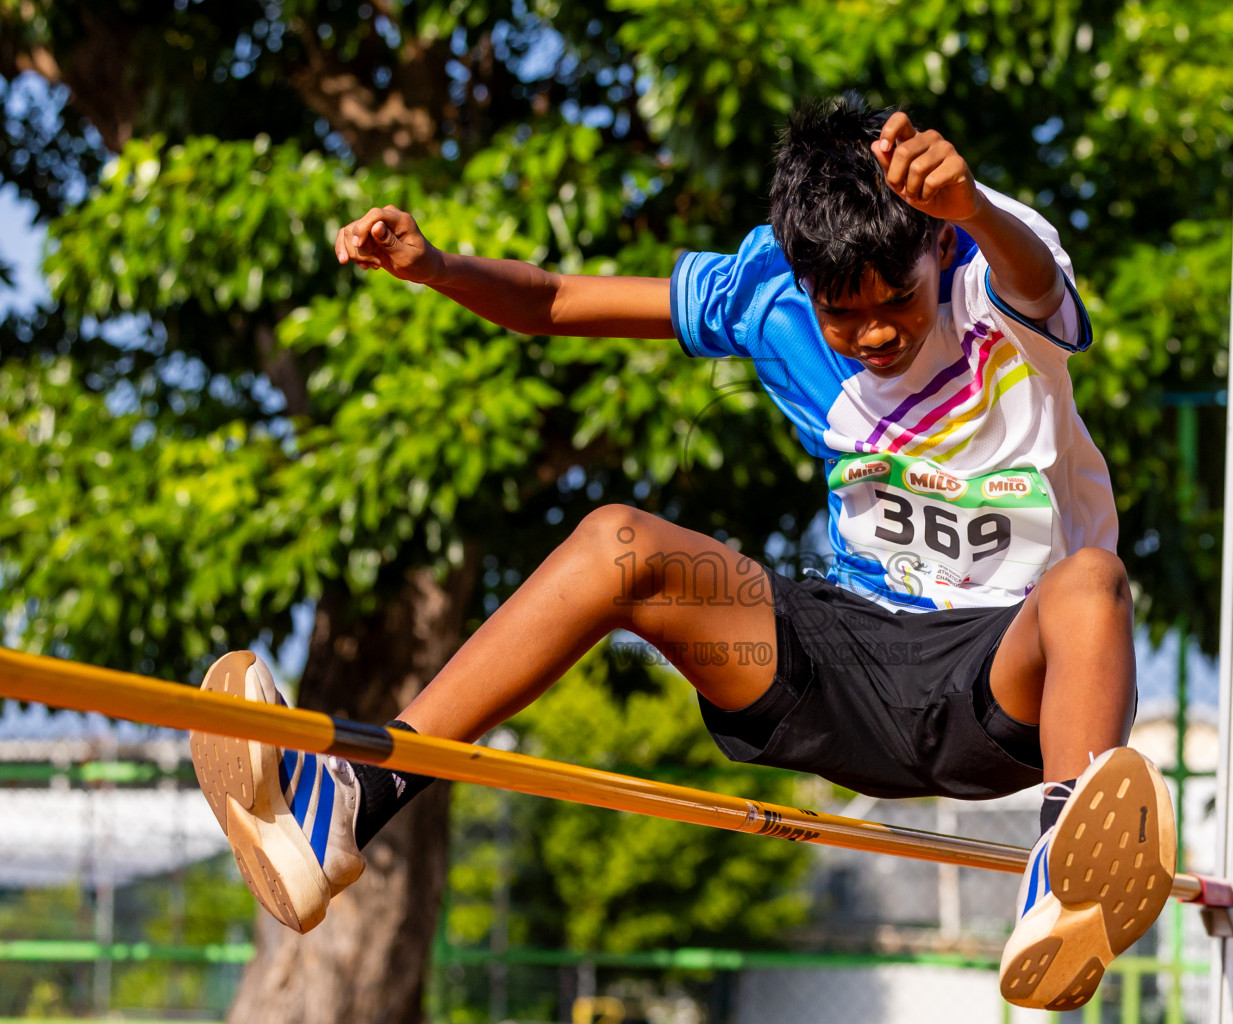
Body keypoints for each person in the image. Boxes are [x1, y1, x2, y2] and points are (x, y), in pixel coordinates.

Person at [190, 94, 1175, 1011]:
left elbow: (1033, 275)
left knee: (1091, 581)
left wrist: (974, 206)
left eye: (897, 300)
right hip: (848, 668)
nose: (875, 330)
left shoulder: (989, 261)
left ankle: (1065, 881)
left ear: (937, 248)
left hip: (1007, 682)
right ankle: (347, 802)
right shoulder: (765, 291)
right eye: (841, 312)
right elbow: (560, 301)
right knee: (618, 543)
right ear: (802, 282)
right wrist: (439, 267)